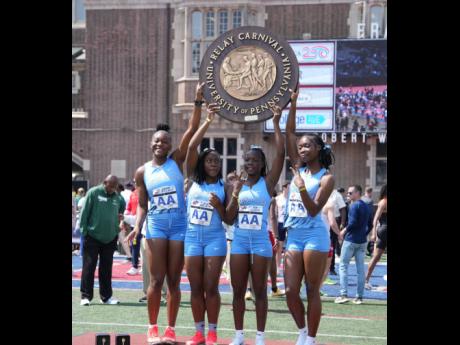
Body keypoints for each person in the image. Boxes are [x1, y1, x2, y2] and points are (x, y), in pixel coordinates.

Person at [125, 82, 206, 344]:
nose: (162, 143)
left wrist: (197, 102)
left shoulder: (176, 161)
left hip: (179, 227)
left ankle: (170, 328)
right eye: (157, 141)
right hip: (157, 226)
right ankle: (152, 327)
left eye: (166, 141)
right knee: (156, 280)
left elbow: (192, 129)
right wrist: (138, 227)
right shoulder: (142, 172)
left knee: (174, 280)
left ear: (170, 145)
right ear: (151, 144)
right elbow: (144, 204)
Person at [226, 104, 284, 345]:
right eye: (246, 159)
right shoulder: (235, 184)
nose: (249, 163)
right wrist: (236, 193)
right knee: (238, 291)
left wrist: (277, 123)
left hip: (260, 242)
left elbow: (281, 154)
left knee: (260, 290)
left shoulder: (268, 184)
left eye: (254, 160)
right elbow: (228, 218)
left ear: (261, 164)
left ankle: (260, 337)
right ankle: (239, 335)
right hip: (239, 240)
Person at [284, 88, 335, 345]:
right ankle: (302, 330)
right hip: (294, 235)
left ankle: (311, 339)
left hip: (315, 234)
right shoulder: (297, 166)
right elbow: (290, 132)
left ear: (318, 149)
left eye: (308, 146)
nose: (302, 149)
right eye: (301, 146)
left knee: (311, 289)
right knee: (291, 291)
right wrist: (292, 104)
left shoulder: (326, 178)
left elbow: (314, 209)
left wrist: (301, 186)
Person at [183, 103, 231, 345]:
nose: (214, 164)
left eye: (217, 161)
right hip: (192, 238)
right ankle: (198, 332)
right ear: (202, 163)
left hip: (214, 239)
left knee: (211, 288)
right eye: (210, 160)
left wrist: (219, 206)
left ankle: (212, 331)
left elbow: (229, 218)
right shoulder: (192, 180)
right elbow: (192, 146)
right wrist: (208, 121)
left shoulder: (225, 187)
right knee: (195, 288)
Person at [79, 175, 126, 306]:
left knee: (106, 269)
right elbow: (84, 212)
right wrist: (84, 232)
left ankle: (106, 297)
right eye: (111, 186)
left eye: (115, 187)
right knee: (89, 267)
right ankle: (85, 296)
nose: (113, 189)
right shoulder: (93, 192)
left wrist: (117, 228)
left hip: (110, 238)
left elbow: (121, 214)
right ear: (104, 182)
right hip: (92, 237)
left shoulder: (118, 198)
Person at [335, 185, 373, 305]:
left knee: (343, 266)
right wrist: (364, 233)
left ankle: (343, 294)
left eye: (350, 193)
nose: (348, 195)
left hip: (351, 240)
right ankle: (359, 297)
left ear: (358, 193)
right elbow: (371, 224)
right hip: (362, 241)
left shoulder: (354, 206)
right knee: (360, 269)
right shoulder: (366, 206)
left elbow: (352, 223)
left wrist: (343, 231)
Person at [365, 184, 387, 289]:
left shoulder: (383, 202)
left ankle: (366, 280)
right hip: (384, 230)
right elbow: (376, 218)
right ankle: (366, 280)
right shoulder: (383, 202)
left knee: (376, 257)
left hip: (383, 230)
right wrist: (373, 234)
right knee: (375, 257)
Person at [268, 192, 285, 297]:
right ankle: (274, 288)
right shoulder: (271, 198)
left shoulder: (245, 192)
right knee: (271, 260)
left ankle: (249, 289)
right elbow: (273, 216)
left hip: (247, 232)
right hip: (266, 232)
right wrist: (276, 236)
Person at [327, 188, 347, 275]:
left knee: (332, 245)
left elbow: (343, 209)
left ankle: (331, 267)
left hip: (334, 220)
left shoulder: (336, 195)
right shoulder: (320, 191)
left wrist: (342, 223)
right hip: (322, 220)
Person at [275, 181, 289, 271]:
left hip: (290, 223)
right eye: (289, 187)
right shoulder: (277, 199)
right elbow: (275, 213)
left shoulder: (291, 198)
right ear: (284, 188)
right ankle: (277, 267)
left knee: (290, 246)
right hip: (280, 223)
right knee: (279, 246)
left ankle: (288, 267)